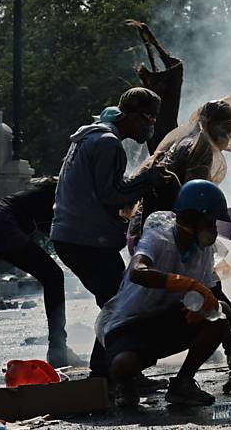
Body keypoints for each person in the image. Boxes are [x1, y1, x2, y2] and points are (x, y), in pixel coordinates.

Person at [126, 95, 231, 371]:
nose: (229, 135)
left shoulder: (187, 142)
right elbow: (196, 197)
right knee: (206, 287)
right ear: (215, 127)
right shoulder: (200, 148)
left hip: (157, 226)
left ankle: (230, 343)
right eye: (226, 128)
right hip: (169, 231)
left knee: (200, 288)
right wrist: (202, 233)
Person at [51, 87, 165, 381]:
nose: (151, 127)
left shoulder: (91, 135)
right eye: (150, 120)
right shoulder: (108, 143)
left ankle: (106, 372)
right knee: (123, 303)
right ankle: (110, 374)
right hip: (86, 237)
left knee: (115, 301)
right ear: (136, 117)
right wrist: (145, 180)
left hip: (73, 235)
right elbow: (111, 195)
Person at [97, 180, 229, 407]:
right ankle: (126, 384)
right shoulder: (158, 239)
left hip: (165, 320)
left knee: (219, 313)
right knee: (123, 365)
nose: (214, 228)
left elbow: (208, 292)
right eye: (211, 221)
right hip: (130, 324)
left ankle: (183, 384)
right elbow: (138, 272)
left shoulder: (203, 251)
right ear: (194, 217)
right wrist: (185, 284)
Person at [0, 178, 83, 368]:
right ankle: (58, 350)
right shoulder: (59, 196)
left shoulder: (36, 197)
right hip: (1, 225)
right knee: (53, 276)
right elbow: (60, 237)